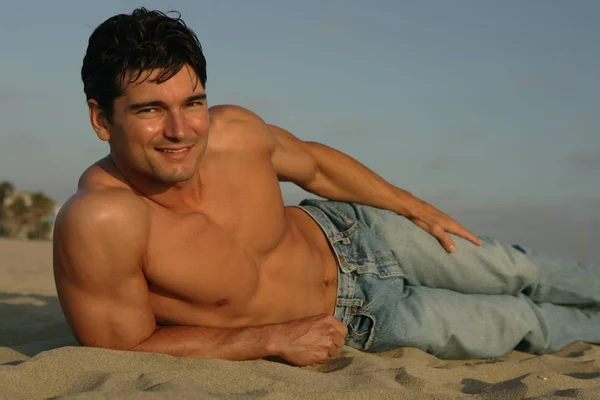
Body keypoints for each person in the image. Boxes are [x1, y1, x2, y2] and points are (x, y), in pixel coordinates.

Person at [53, 8, 600, 367]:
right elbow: (123, 349)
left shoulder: (235, 130)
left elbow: (314, 166)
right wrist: (268, 340)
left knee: (518, 269)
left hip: (360, 234)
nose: (180, 130)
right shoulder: (104, 220)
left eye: (191, 103)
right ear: (102, 119)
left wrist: (417, 208)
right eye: (151, 110)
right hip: (357, 321)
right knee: (518, 320)